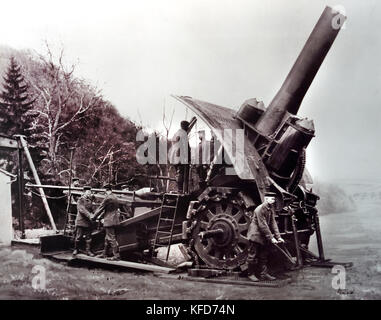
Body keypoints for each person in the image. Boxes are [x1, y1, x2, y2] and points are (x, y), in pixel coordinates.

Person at [246, 192, 285, 281]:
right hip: (255, 235)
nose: (274, 200)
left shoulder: (270, 208)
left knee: (263, 255)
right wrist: (271, 238)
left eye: (274, 199)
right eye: (272, 199)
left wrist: (278, 237)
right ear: (266, 199)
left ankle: (263, 274)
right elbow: (263, 225)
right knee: (252, 255)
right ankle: (250, 274)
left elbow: (273, 223)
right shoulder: (260, 209)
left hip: (263, 235)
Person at [91, 184, 120, 260]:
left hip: (109, 220)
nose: (105, 193)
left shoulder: (108, 198)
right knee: (107, 238)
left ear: (107, 190)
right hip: (115, 219)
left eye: (105, 191)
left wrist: (93, 217)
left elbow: (100, 208)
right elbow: (109, 209)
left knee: (111, 238)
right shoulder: (115, 197)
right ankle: (104, 253)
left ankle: (116, 256)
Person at [73, 186, 95, 257]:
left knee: (88, 238)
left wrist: (95, 215)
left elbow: (92, 210)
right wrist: (90, 215)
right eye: (88, 192)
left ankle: (88, 251)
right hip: (81, 221)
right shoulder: (80, 200)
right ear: (84, 192)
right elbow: (82, 210)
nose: (89, 193)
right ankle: (76, 249)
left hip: (88, 222)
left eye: (90, 192)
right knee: (79, 237)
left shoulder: (90, 200)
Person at [169, 120, 190, 193]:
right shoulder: (183, 134)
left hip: (174, 157)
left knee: (178, 173)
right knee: (182, 174)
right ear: (186, 127)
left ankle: (180, 189)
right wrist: (188, 158)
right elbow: (185, 147)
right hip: (180, 157)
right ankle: (181, 190)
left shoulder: (176, 133)